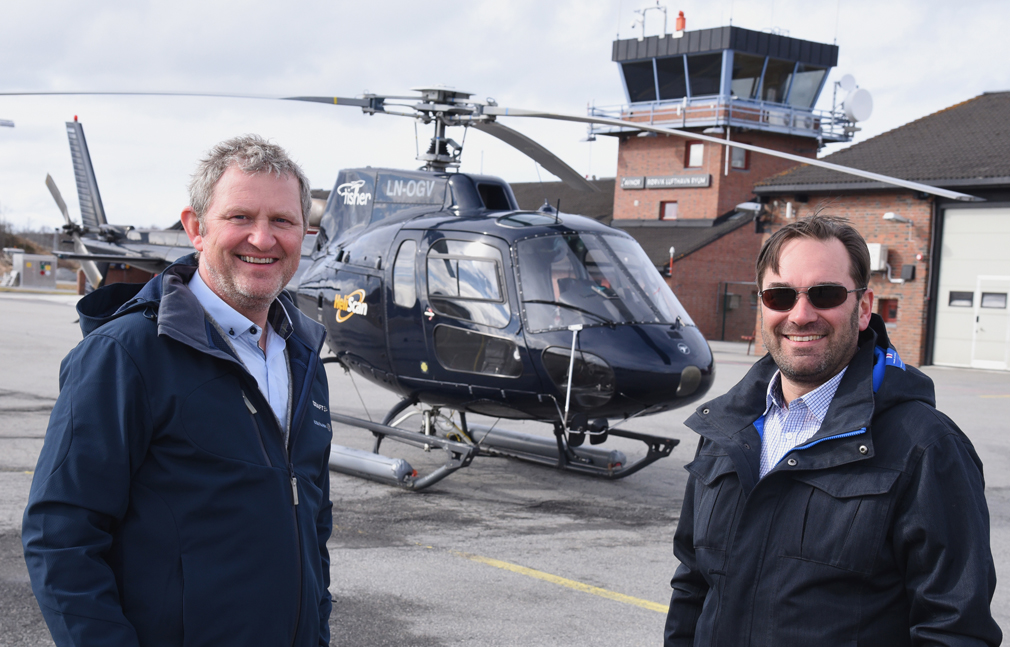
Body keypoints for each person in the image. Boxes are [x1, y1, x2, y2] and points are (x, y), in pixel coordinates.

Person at [23, 135, 334, 646]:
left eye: (282, 221)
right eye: (239, 218)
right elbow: (60, 538)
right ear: (195, 228)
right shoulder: (126, 355)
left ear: (306, 233)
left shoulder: (302, 355)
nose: (262, 239)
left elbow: (312, 517)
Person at [664, 215, 1001, 646]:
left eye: (825, 294)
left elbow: (955, 630)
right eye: (780, 295)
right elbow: (693, 586)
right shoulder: (725, 431)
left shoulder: (927, 447)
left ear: (863, 309)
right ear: (763, 307)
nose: (801, 315)